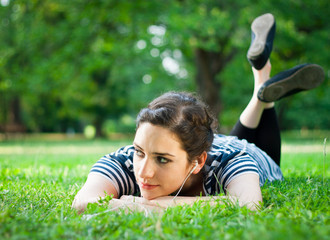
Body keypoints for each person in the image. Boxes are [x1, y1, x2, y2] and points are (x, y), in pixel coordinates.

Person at [72, 13, 324, 214]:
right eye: (140, 152)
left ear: (198, 162)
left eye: (162, 159)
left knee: (266, 156)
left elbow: (248, 205)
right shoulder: (125, 160)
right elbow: (82, 203)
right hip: (211, 143)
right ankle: (261, 84)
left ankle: (262, 89)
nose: (143, 172)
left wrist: (142, 207)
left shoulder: (232, 161)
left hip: (248, 152)